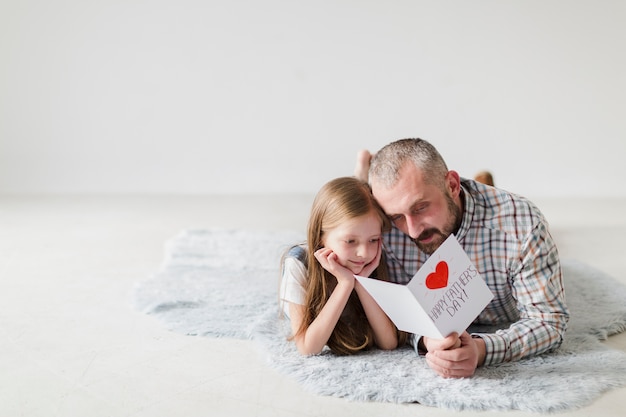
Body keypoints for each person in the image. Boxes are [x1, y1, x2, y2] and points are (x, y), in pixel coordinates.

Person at [355, 138, 569, 378]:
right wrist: (426, 339)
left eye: (420, 207)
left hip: (490, 221)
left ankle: (483, 182)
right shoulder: (381, 230)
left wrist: (482, 350)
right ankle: (360, 180)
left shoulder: (522, 225)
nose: (413, 231)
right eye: (398, 217)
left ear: (453, 185)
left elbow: (549, 322)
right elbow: (387, 310)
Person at [279, 176, 405, 355]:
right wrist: (345, 284)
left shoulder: (370, 259)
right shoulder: (298, 263)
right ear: (321, 237)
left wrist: (361, 282)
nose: (364, 253)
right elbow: (308, 348)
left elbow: (388, 342)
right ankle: (360, 170)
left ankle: (361, 173)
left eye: (373, 239)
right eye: (350, 241)